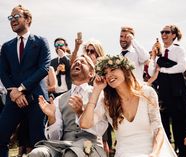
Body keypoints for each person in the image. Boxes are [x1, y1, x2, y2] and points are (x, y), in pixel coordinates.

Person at [77, 55, 177, 157]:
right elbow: (84, 124)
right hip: (125, 153)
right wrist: (96, 91)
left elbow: (158, 129)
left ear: (125, 70)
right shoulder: (106, 102)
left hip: (153, 150)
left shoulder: (147, 93)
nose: (109, 75)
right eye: (105, 73)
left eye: (113, 69)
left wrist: (154, 154)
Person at [28, 55, 107, 157]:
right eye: (75, 62)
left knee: (70, 154)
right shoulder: (59, 99)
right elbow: (54, 138)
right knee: (37, 153)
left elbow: (99, 130)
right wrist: (51, 117)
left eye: (83, 62)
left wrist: (81, 113)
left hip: (90, 145)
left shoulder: (98, 93)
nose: (77, 62)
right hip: (63, 145)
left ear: (91, 73)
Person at [0, 5, 51, 157]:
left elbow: (43, 69)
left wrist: (21, 89)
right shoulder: (6, 46)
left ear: (28, 19)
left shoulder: (41, 41)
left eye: (16, 17)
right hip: (13, 100)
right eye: (10, 18)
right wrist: (14, 92)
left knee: (37, 143)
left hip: (36, 99)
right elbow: (3, 72)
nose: (13, 20)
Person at [148, 24, 186, 156]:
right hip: (163, 93)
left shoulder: (179, 50)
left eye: (167, 32)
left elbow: (181, 67)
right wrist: (153, 56)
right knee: (163, 125)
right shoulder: (159, 54)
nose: (163, 34)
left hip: (177, 93)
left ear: (174, 35)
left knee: (179, 125)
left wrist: (163, 71)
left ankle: (182, 152)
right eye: (162, 32)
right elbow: (150, 72)